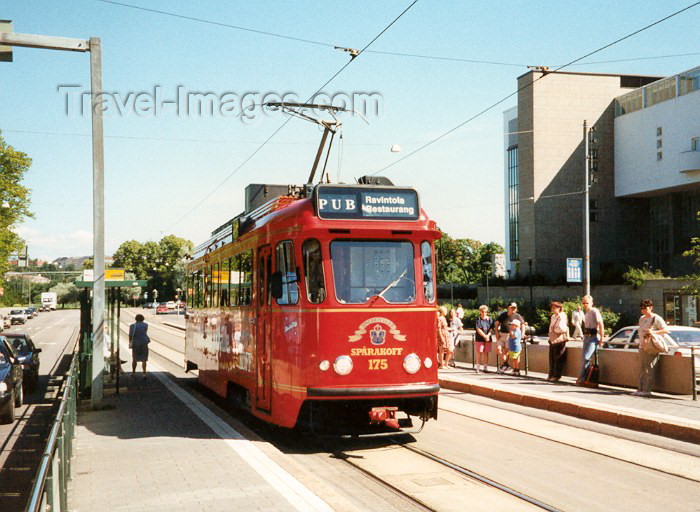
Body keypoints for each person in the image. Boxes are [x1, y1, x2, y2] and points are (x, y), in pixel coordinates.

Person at [633, 299, 669, 397]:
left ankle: (646, 389)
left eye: (646, 308)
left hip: (651, 346)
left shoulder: (656, 318)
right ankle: (640, 389)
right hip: (642, 345)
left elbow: (665, 330)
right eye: (642, 309)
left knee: (648, 368)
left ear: (651, 308)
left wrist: (653, 332)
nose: (643, 310)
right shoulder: (642, 318)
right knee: (641, 368)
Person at [577, 295, 604, 385]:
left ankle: (582, 378)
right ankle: (583, 378)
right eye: (583, 303)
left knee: (586, 358)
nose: (585, 305)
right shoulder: (586, 313)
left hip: (593, 337)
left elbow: (601, 324)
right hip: (586, 337)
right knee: (584, 359)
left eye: (587, 303)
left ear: (592, 303)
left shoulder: (594, 311)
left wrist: (601, 339)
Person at [495, 303, 525, 373]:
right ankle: (506, 364)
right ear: (509, 308)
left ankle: (505, 366)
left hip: (510, 336)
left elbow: (522, 324)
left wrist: (522, 333)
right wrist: (496, 332)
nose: (514, 309)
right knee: (498, 349)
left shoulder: (517, 316)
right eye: (512, 308)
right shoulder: (503, 315)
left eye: (515, 308)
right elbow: (496, 323)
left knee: (506, 351)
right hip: (502, 335)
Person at [547, 301, 568, 382]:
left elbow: (562, 328)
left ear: (559, 308)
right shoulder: (553, 316)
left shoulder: (561, 316)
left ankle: (556, 375)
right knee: (552, 357)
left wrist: (554, 330)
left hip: (559, 339)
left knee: (558, 358)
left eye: (554, 307)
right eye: (552, 307)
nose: (553, 309)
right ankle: (551, 374)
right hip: (553, 339)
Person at [129, 314, 150, 378]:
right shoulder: (146, 325)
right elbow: (144, 332)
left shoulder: (132, 326)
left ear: (135, 319)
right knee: (144, 359)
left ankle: (133, 372)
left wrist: (130, 342)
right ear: (143, 319)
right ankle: (144, 373)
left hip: (135, 343)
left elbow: (130, 335)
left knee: (134, 358)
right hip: (144, 343)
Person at [474, 305, 494, 373]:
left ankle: (485, 367)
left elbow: (491, 328)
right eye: (482, 312)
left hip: (487, 338)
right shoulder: (478, 319)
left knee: (486, 353)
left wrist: (488, 335)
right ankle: (478, 367)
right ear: (480, 312)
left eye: (485, 312)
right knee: (479, 352)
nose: (484, 313)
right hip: (480, 338)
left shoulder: (489, 319)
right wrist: (484, 336)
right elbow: (478, 328)